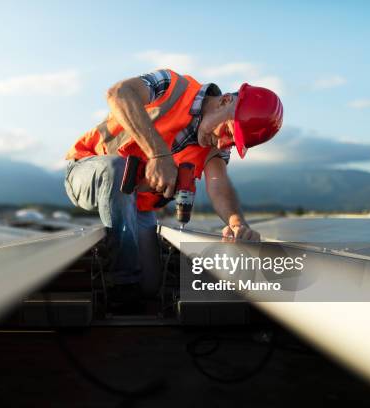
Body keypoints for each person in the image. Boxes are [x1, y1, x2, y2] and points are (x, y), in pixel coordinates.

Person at [63, 69, 283, 305]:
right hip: (86, 170)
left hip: (137, 205)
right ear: (225, 101)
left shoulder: (215, 145)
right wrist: (158, 153)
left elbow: (218, 185)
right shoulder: (172, 85)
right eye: (228, 132)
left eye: (232, 142)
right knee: (117, 168)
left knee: (150, 287)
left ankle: (129, 274)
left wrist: (237, 224)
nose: (222, 143)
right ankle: (121, 283)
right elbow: (118, 93)